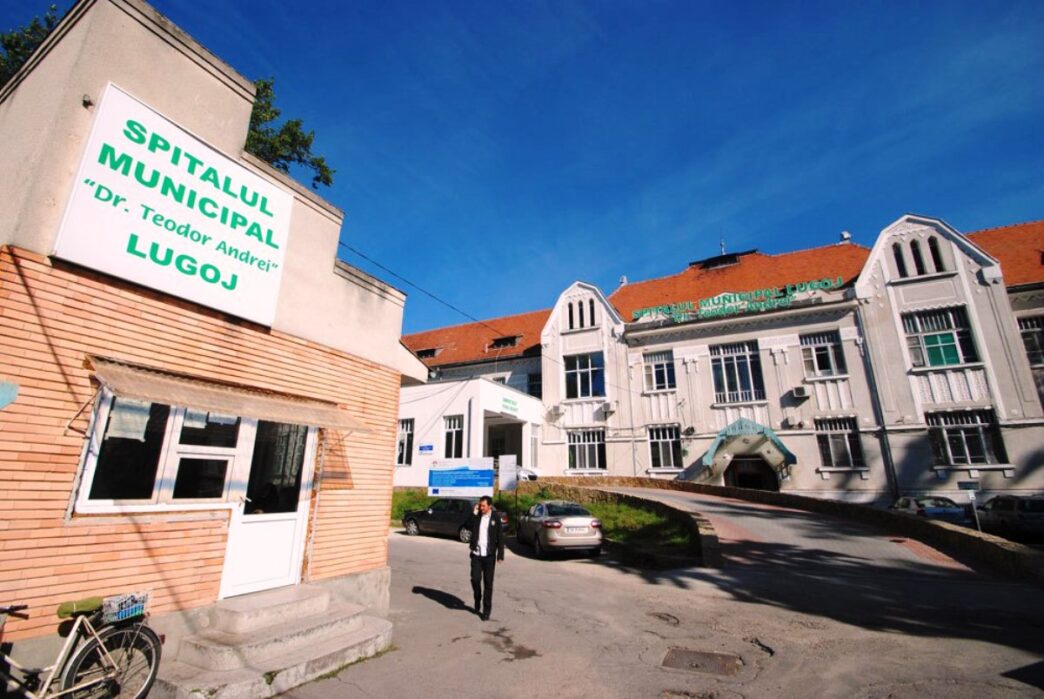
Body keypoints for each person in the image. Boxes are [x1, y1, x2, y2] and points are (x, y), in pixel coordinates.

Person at [466, 495, 504, 621]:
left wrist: (500, 554)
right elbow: (467, 526)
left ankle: (486, 611)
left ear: (489, 506)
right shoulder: (477, 516)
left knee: (488, 584)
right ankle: (477, 598)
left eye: (483, 506)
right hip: (476, 555)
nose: (481, 508)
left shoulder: (495, 517)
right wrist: (474, 513)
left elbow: (500, 536)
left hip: (489, 556)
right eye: (480, 505)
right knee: (475, 579)